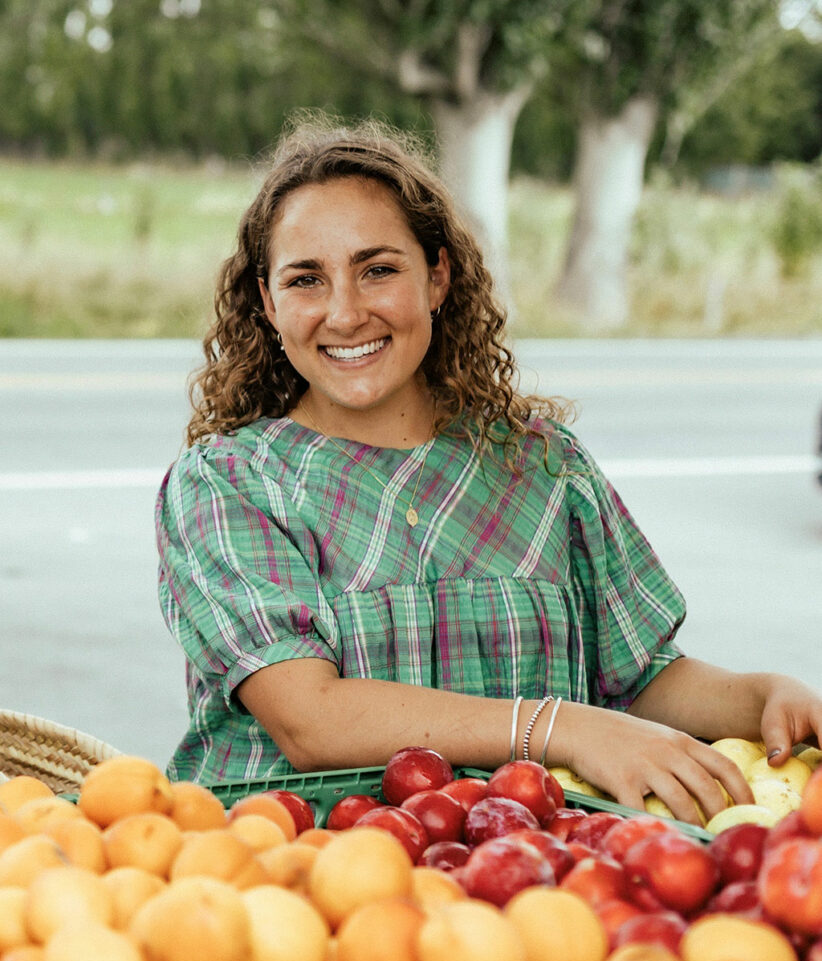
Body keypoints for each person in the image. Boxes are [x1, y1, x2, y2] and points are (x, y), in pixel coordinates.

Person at [155, 114, 822, 826]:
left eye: (378, 269)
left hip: (527, 874)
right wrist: (560, 726)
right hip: (303, 883)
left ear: (438, 276)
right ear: (267, 301)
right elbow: (310, 720)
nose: (345, 313)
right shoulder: (228, 483)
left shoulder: (543, 465)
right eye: (306, 280)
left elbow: (638, 679)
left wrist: (764, 698)